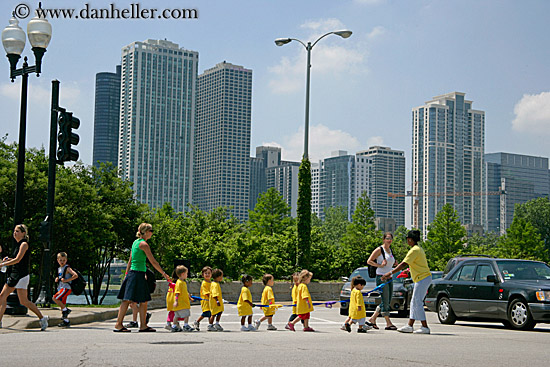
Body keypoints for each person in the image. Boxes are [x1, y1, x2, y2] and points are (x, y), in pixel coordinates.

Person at [113, 223, 170, 332]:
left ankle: (140, 325)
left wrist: (126, 275)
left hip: (134, 273)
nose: (152, 233)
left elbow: (130, 261)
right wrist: (164, 274)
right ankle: (121, 324)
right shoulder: (144, 244)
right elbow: (153, 261)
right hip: (137, 274)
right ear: (146, 232)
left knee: (139, 300)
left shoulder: (135, 243)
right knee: (131, 300)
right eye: (151, 231)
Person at [382, 230, 432, 334]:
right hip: (422, 278)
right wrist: (409, 270)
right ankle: (410, 325)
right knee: (414, 302)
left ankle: (425, 326)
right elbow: (416, 264)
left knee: (417, 301)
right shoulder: (418, 249)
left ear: (409, 239)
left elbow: (403, 264)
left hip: (422, 278)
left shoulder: (414, 250)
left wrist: (390, 273)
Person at [0, 225, 49, 330]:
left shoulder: (24, 244)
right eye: (14, 231)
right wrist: (8, 259)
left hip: (19, 275)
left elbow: (18, 260)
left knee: (2, 297)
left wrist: (2, 264)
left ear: (23, 233)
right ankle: (42, 318)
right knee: (23, 301)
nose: (15, 233)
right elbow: (17, 259)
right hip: (17, 274)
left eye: (17, 231)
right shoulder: (18, 245)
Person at [367, 232, 397, 330]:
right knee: (385, 299)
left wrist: (395, 264)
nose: (389, 240)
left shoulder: (390, 250)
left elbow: (390, 263)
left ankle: (372, 319)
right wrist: (380, 265)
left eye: (391, 238)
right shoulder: (380, 249)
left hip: (389, 276)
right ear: (383, 239)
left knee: (387, 300)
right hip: (381, 277)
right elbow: (369, 261)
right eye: (387, 238)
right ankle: (388, 323)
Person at [53, 252, 78, 327]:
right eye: (60, 260)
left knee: (55, 298)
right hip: (61, 287)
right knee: (62, 304)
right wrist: (57, 279)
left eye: (64, 260)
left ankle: (66, 310)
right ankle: (66, 320)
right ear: (57, 260)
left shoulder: (67, 268)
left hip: (66, 288)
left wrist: (67, 280)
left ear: (66, 260)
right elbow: (61, 277)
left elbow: (75, 275)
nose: (62, 262)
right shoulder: (59, 269)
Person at [170, 265, 195, 332]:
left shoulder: (182, 282)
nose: (187, 275)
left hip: (182, 303)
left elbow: (185, 292)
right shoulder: (179, 283)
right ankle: (185, 325)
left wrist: (189, 297)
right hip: (182, 303)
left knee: (176, 315)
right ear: (183, 274)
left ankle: (174, 326)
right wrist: (176, 300)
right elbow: (177, 292)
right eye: (186, 273)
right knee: (186, 314)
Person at [193, 266, 212, 331]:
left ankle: (210, 324)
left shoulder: (211, 283)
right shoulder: (204, 283)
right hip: (205, 301)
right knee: (206, 312)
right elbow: (206, 292)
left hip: (211, 301)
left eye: (209, 273)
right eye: (205, 273)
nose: (207, 275)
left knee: (211, 313)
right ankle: (197, 322)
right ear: (203, 274)